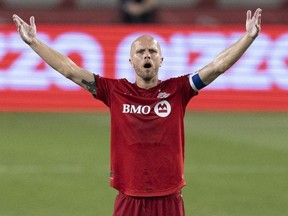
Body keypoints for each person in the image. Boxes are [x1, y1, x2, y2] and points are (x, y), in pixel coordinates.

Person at [12, 8, 262, 216]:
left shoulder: (179, 89)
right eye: (140, 52)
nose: (147, 56)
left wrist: (248, 38)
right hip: (129, 198)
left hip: (170, 199)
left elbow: (218, 66)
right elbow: (70, 70)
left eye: (152, 52)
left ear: (161, 60)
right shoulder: (114, 91)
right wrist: (34, 42)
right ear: (130, 61)